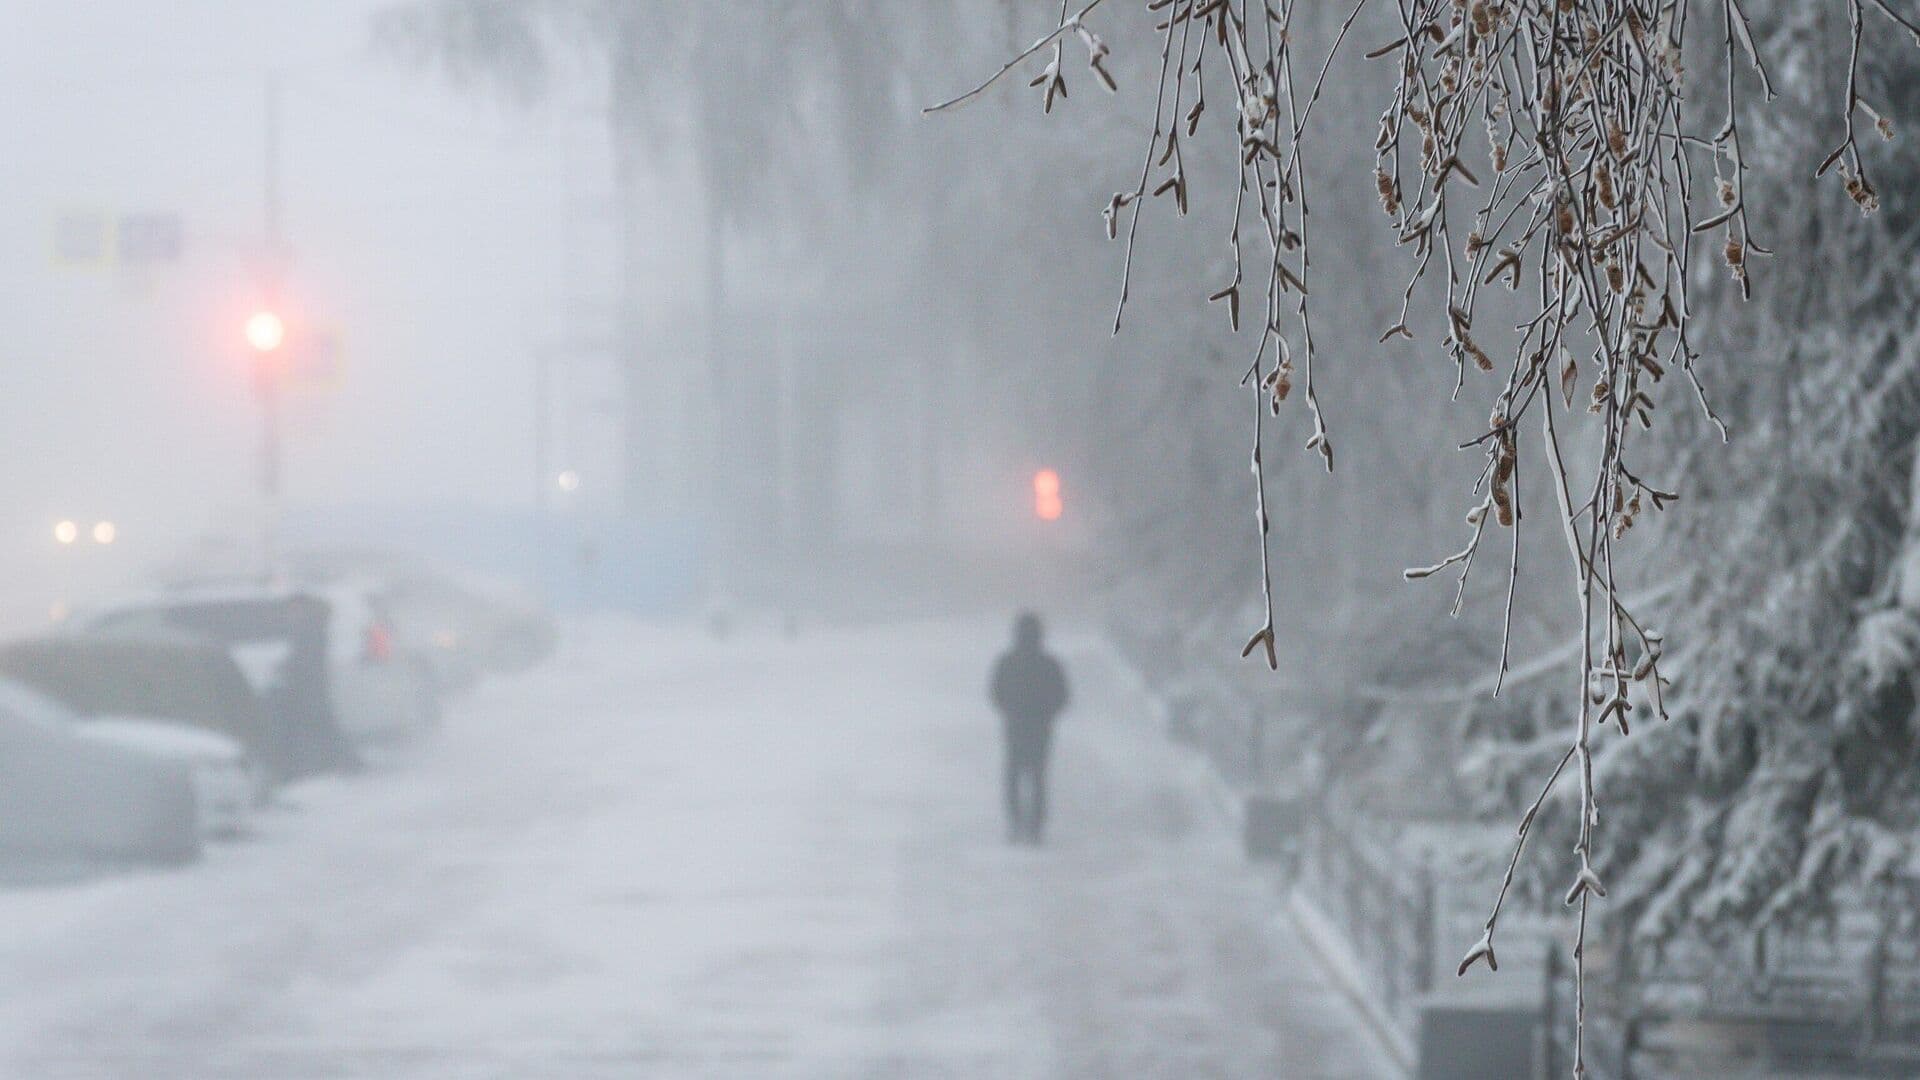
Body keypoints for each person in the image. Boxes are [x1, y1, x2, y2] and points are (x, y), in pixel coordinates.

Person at [990, 612, 1070, 844]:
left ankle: (1016, 821)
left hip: (1014, 727)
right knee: (1038, 777)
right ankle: (1035, 825)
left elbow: (995, 692)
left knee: (1013, 776)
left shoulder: (1007, 662)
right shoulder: (1049, 664)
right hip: (1041, 729)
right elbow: (1062, 696)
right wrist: (1048, 714)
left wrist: (1009, 710)